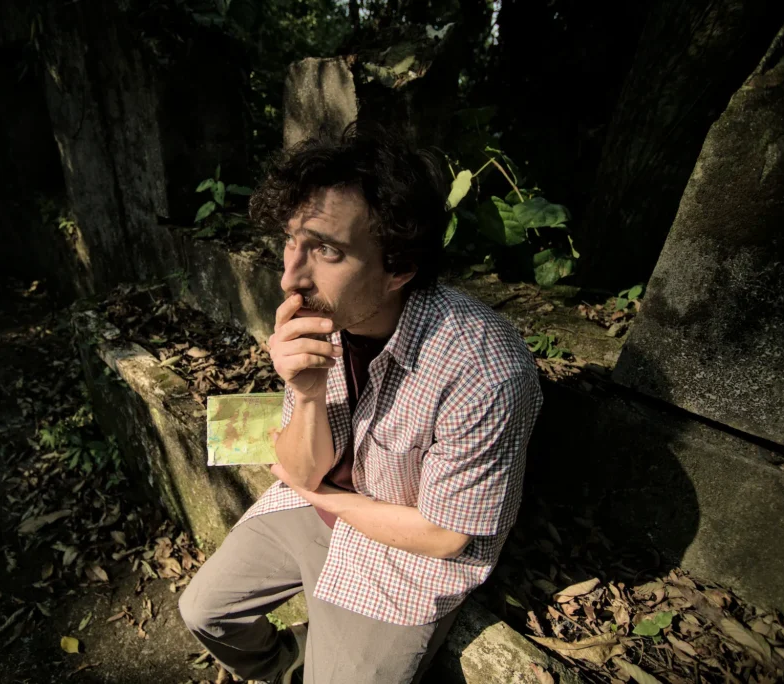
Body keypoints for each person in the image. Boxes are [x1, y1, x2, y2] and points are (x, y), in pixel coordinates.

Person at [178, 122, 543, 684]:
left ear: (399, 267)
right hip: (323, 501)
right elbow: (303, 467)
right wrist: (305, 390)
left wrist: (317, 494)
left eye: (326, 250)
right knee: (203, 611)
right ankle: (286, 663)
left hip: (409, 551)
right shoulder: (327, 317)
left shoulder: (484, 371)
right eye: (292, 241)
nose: (289, 278)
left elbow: (445, 534)